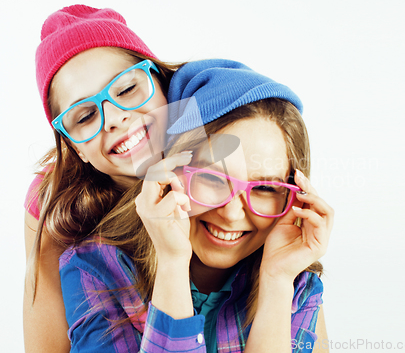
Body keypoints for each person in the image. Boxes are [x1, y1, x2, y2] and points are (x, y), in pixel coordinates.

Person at [58, 61, 334, 352]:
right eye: (211, 178)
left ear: (295, 197)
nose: (231, 213)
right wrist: (171, 263)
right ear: (167, 173)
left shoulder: (295, 284)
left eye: (266, 188)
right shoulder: (95, 270)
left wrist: (276, 282)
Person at [24, 4, 254, 352]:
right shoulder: (53, 204)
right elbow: (46, 343)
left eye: (127, 89)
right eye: (85, 115)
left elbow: (268, 105)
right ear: (75, 148)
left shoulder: (212, 135)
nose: (115, 117)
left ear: (161, 83)